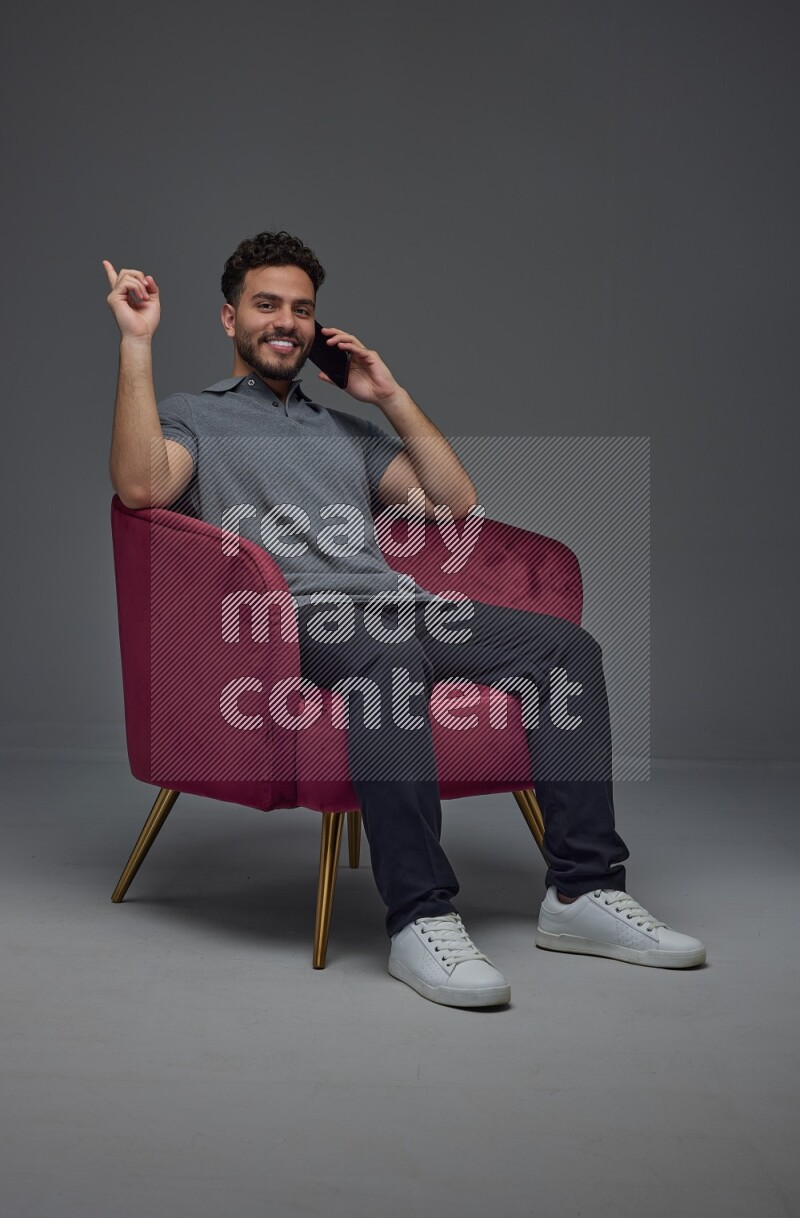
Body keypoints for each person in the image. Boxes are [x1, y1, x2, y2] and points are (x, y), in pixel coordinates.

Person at [103, 230, 706, 1009]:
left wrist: (388, 394)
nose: (284, 322)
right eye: (266, 306)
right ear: (229, 319)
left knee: (565, 650)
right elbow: (144, 488)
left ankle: (582, 893)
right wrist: (136, 344)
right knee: (388, 662)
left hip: (399, 609)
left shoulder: (346, 433)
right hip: (292, 623)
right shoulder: (194, 419)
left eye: (301, 309)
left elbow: (457, 507)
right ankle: (420, 916)